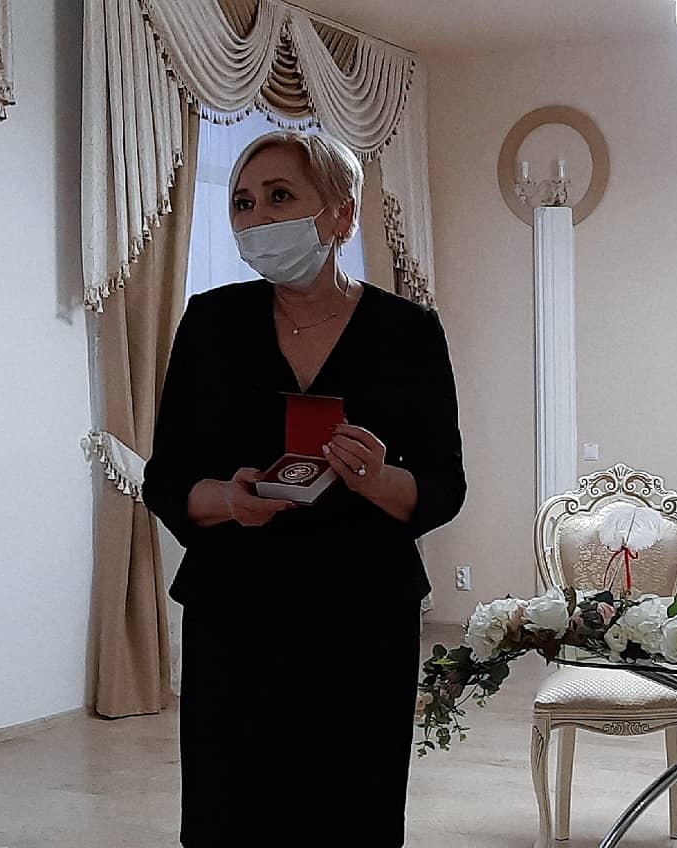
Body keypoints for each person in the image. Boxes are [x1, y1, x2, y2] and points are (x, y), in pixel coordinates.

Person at [142, 129, 466, 846]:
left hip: (362, 613)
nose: (257, 217)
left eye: (280, 196)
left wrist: (378, 479)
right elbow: (166, 479)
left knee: (351, 811)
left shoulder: (409, 332)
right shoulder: (210, 324)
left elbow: (444, 485)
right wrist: (227, 499)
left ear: (340, 214)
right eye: (242, 203)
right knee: (231, 813)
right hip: (235, 610)